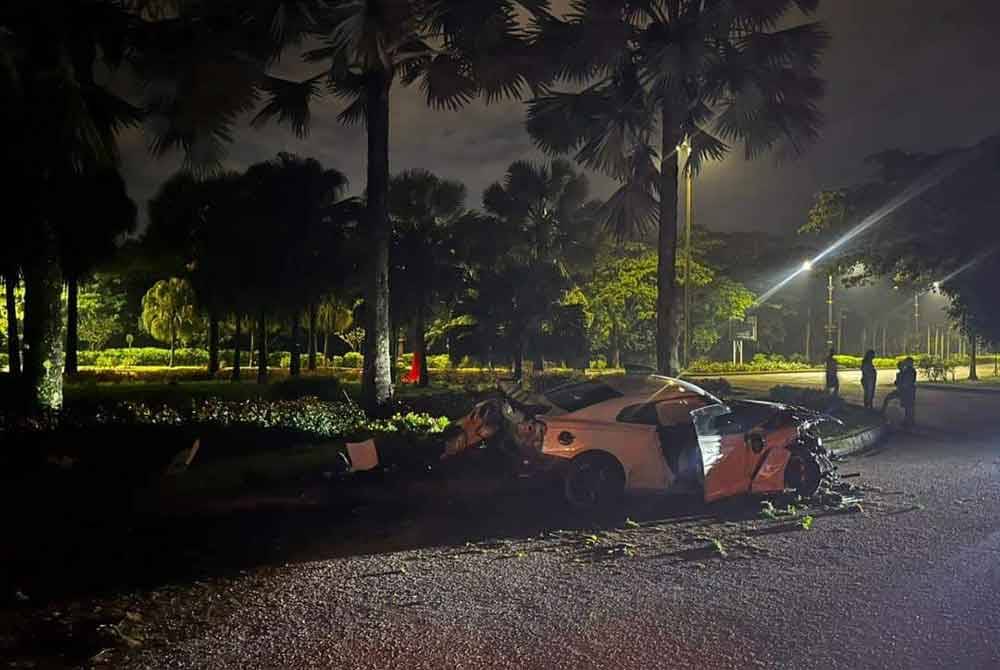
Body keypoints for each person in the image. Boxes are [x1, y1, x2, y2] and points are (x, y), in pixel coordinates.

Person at [882, 357, 917, 429]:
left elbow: (906, 382)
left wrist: (901, 384)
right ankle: (908, 420)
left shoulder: (909, 371)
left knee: (908, 406)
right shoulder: (908, 371)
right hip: (906, 390)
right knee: (908, 406)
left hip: (907, 390)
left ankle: (909, 421)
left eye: (907, 362)